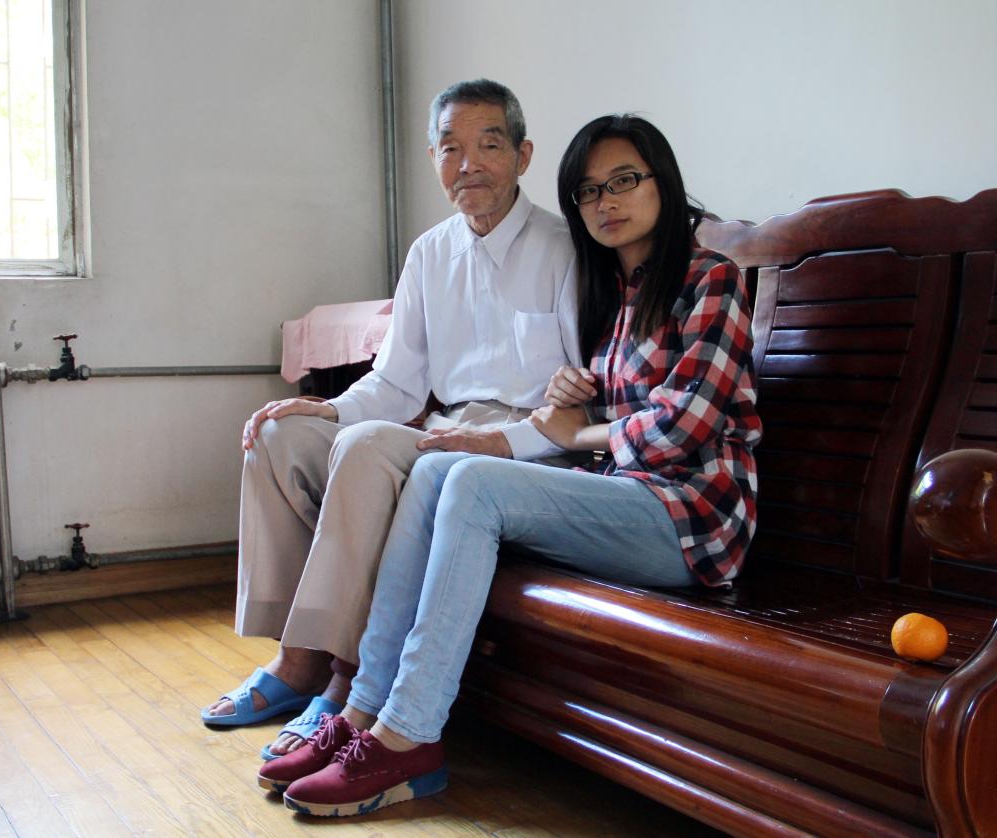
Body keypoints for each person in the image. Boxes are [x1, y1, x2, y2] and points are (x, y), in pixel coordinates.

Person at [257, 114, 763, 816]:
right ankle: (363, 711)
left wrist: (583, 428)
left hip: (694, 520)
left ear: (663, 183)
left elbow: (682, 428)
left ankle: (409, 737)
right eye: (589, 191)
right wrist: (573, 393)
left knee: (471, 481)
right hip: (626, 496)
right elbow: (609, 404)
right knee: (434, 469)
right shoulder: (617, 292)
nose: (606, 202)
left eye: (623, 181)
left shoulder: (711, 279)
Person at [201, 79, 579, 761]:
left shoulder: (563, 248)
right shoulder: (430, 253)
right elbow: (398, 379)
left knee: (369, 448)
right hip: (445, 433)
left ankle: (331, 671)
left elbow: (583, 400)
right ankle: (296, 651)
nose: (468, 164)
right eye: (450, 148)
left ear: (523, 155)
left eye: (489, 145)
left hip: (525, 447)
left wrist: (502, 437)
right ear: (433, 160)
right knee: (279, 437)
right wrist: (326, 409)